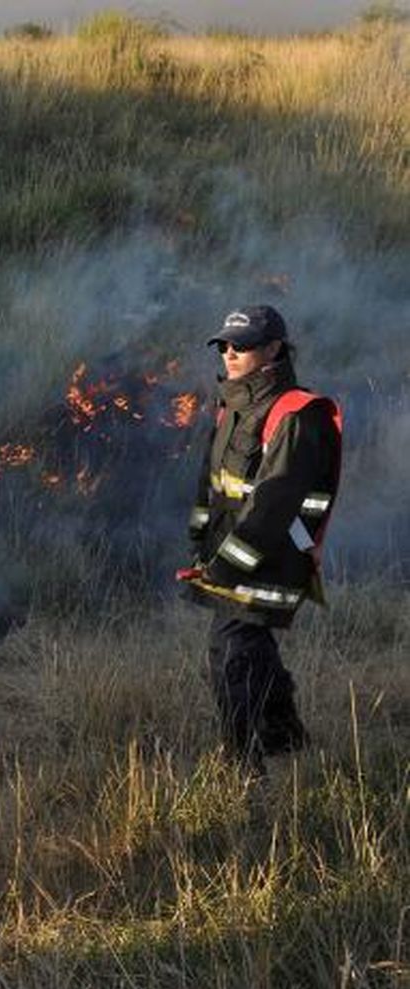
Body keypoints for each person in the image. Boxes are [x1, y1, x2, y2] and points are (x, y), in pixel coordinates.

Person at [179, 305, 342, 773]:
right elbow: (212, 481)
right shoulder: (232, 403)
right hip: (232, 552)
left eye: (242, 345)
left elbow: (274, 503)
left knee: (230, 655)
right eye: (225, 345)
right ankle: (285, 738)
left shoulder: (295, 414)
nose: (230, 353)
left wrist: (227, 566)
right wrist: (200, 537)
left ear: (273, 349)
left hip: (271, 556)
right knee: (253, 648)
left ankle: (241, 768)